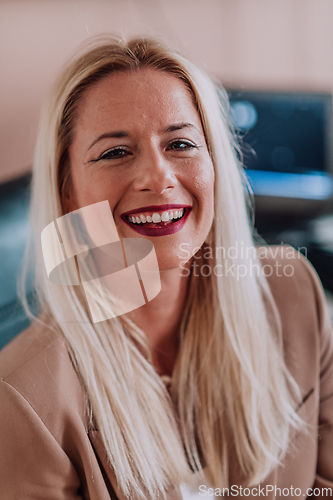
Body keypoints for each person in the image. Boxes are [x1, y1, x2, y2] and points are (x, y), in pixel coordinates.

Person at [0, 36, 333, 500]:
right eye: (116, 152)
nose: (158, 177)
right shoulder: (21, 401)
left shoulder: (294, 293)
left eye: (180, 143)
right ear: (68, 190)